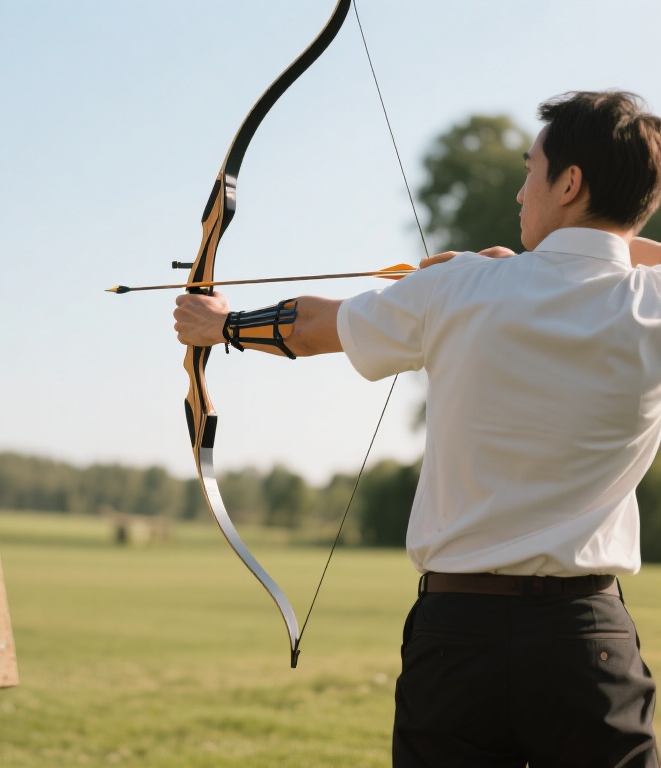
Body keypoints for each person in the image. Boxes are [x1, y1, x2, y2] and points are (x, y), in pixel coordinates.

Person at [174, 90, 661, 767]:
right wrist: (599, 249)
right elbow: (628, 260)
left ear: (569, 183)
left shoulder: (460, 286)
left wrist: (219, 325)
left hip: (458, 640)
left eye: (531, 171)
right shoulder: (650, 304)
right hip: (586, 646)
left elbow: (314, 327)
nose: (522, 193)